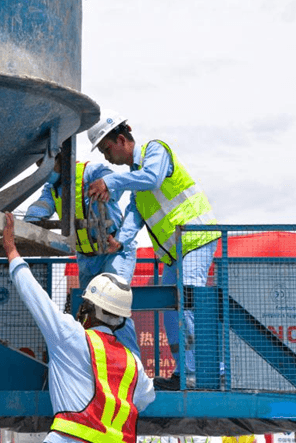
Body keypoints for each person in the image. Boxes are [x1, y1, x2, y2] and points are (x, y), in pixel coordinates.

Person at [86, 111, 219, 391]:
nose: (106, 158)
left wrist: (111, 182)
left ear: (121, 140)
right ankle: (186, 374)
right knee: (172, 311)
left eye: (107, 149)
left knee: (188, 304)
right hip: (175, 251)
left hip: (196, 238)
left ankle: (210, 374)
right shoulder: (136, 177)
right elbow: (135, 211)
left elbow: (153, 179)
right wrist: (119, 241)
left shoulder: (154, 151)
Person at [2, 212, 155, 443]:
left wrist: (12, 251)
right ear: (122, 319)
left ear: (88, 310)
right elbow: (146, 397)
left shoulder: (72, 336)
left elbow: (34, 295)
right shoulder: (134, 364)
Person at [24, 150, 141, 357]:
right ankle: (98, 362)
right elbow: (41, 208)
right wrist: (27, 222)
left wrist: (108, 186)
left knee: (114, 305)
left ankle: (134, 363)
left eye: (43, 163)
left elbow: (115, 182)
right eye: (38, 165)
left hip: (113, 251)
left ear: (59, 157)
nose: (41, 169)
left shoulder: (89, 172)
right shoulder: (51, 189)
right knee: (91, 311)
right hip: (87, 257)